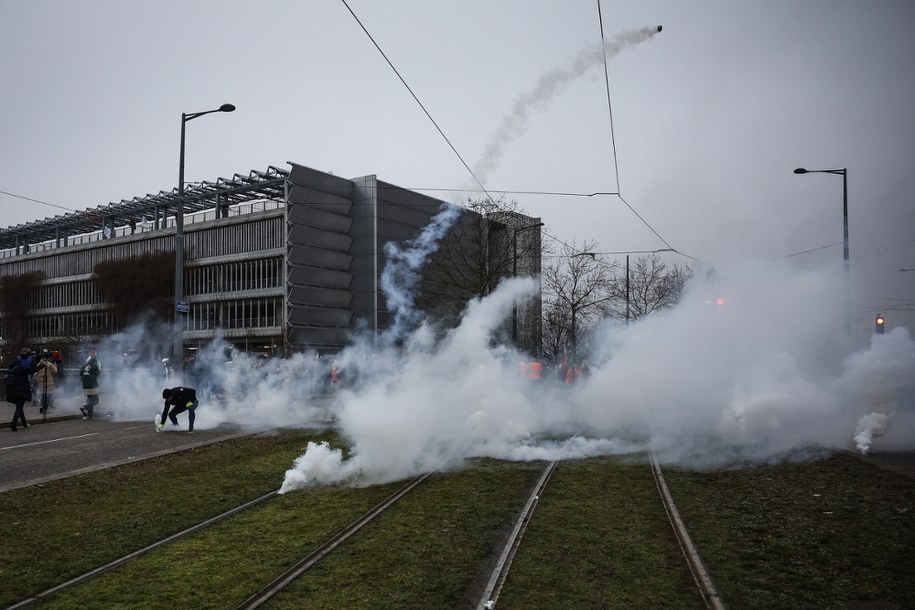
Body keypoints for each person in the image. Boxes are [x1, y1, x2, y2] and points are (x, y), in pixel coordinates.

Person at [6, 348, 47, 431]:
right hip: (20, 391)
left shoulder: (11, 369)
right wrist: (43, 365)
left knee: (19, 407)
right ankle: (14, 423)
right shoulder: (21, 369)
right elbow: (33, 369)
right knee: (19, 408)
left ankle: (24, 423)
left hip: (11, 391)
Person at [80, 348, 101, 419]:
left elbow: (81, 373)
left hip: (85, 385)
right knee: (96, 401)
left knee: (90, 400)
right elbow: (98, 373)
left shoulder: (85, 365)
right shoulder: (94, 365)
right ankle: (84, 407)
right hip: (92, 385)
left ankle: (89, 415)